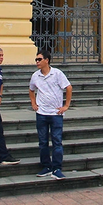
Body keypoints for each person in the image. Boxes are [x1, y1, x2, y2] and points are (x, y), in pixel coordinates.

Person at [29, 48, 72, 180]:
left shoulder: (57, 73)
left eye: (39, 59)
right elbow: (31, 89)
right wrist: (33, 103)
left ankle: (57, 168)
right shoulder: (35, 76)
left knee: (57, 141)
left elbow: (68, 87)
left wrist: (66, 105)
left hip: (55, 113)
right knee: (42, 142)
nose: (37, 62)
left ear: (46, 60)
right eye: (36, 59)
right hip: (41, 113)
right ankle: (46, 166)